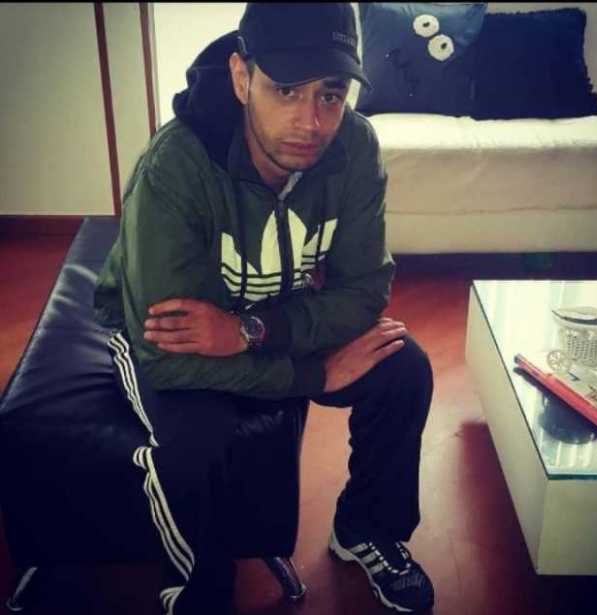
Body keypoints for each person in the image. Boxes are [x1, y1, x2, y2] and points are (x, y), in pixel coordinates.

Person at [94, 3, 435, 614]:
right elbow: (166, 355)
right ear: (241, 76)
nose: (311, 121)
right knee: (194, 442)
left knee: (403, 367)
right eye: (286, 90)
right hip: (176, 337)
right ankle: (197, 591)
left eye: (331, 94)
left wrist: (251, 330)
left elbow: (363, 292)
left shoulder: (355, 146)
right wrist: (311, 376)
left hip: (266, 319)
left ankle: (368, 528)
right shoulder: (175, 166)